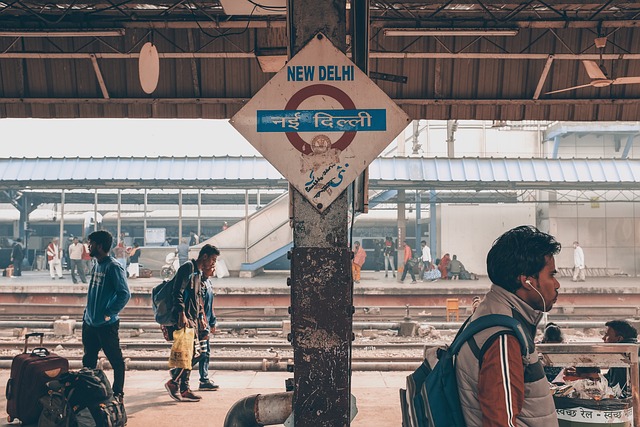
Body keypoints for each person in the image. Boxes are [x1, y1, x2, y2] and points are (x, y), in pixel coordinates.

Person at [455, 225, 561, 426]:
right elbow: (499, 421)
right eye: (551, 275)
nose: (556, 284)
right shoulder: (503, 338)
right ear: (527, 281)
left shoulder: (494, 311)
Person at [165, 244, 220, 402]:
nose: (213, 263)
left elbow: (197, 299)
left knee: (190, 354)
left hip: (193, 320)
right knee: (195, 354)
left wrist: (201, 320)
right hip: (185, 319)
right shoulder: (188, 268)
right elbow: (177, 291)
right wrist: (181, 313)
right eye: (213, 259)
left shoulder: (197, 273)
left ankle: (184, 388)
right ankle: (174, 381)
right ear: (204, 257)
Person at [83, 230, 131, 403]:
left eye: (91, 243)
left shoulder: (113, 266)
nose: (89, 246)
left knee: (116, 361)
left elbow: (124, 294)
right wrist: (87, 314)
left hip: (106, 325)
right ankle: (88, 392)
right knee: (88, 359)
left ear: (100, 246)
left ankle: (118, 393)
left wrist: (108, 313)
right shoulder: (97, 264)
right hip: (89, 323)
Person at [602, 320, 638, 396]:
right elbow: (610, 378)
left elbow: (617, 391)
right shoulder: (630, 351)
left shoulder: (623, 358)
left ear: (619, 339)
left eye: (607, 335)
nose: (603, 338)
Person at [198, 276, 219, 391]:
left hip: (205, 323)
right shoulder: (199, 283)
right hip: (200, 325)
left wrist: (213, 322)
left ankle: (177, 374)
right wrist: (204, 324)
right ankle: (204, 380)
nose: (213, 267)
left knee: (203, 352)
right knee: (202, 353)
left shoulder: (208, 282)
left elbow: (210, 305)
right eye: (211, 263)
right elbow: (199, 306)